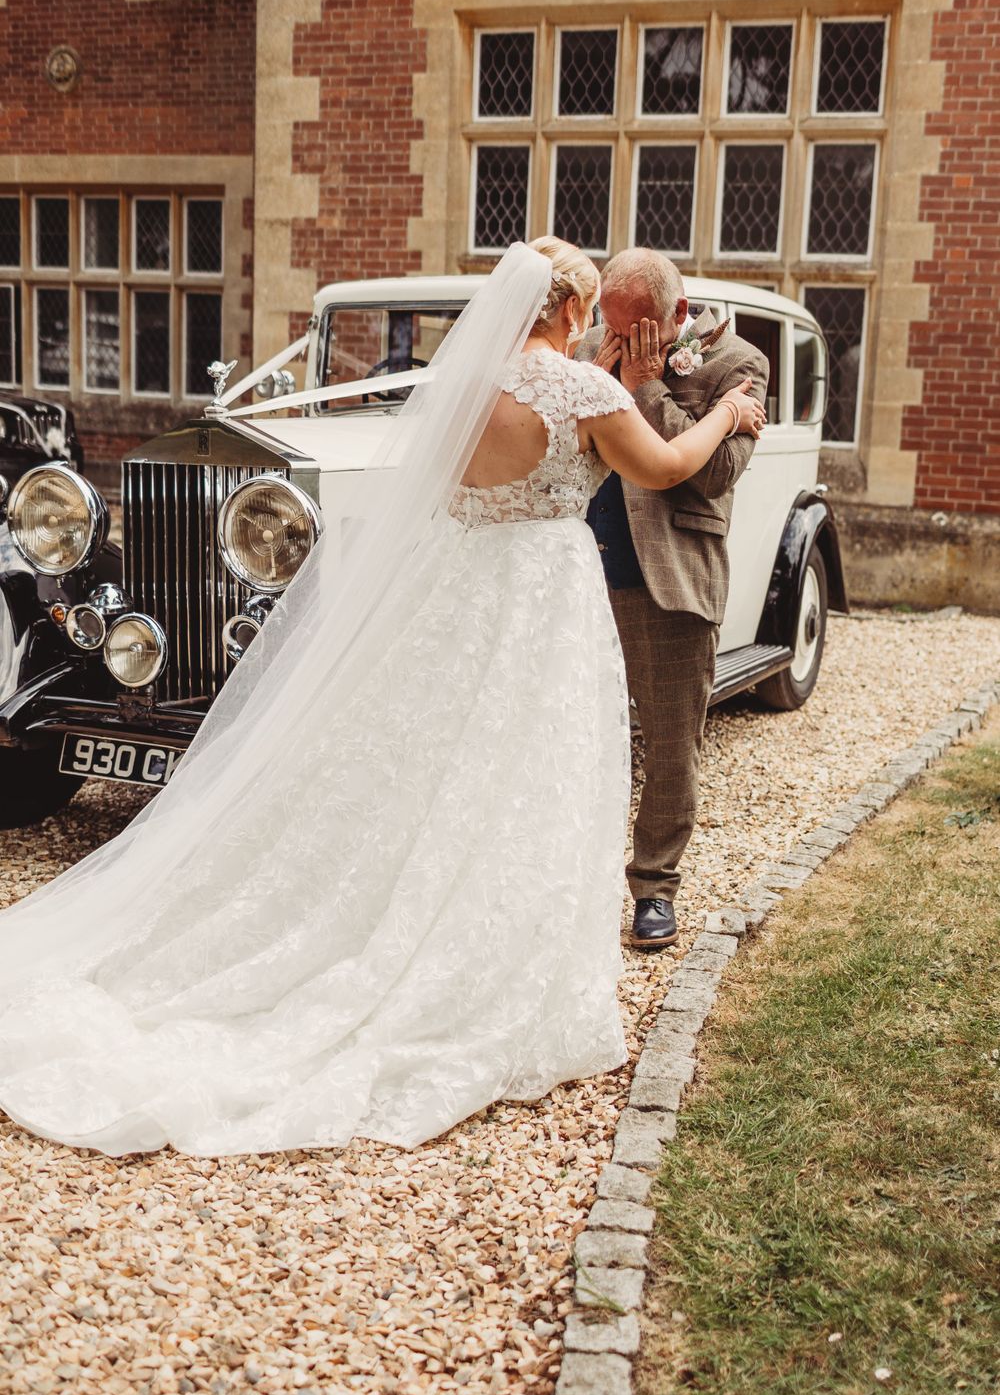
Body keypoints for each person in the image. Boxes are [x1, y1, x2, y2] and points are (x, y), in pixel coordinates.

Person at [0, 239, 763, 1158]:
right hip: (544, 599)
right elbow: (668, 466)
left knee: (436, 763)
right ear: (571, 311)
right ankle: (493, 956)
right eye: (589, 312)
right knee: (529, 771)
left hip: (463, 593)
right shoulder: (589, 393)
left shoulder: (459, 387)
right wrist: (724, 409)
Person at [578, 249, 769, 950]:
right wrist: (605, 369)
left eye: (635, 330)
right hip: (579, 570)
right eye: (609, 326)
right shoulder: (591, 345)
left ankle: (654, 889)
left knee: (669, 747)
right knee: (578, 733)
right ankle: (570, 877)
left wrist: (647, 385)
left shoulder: (739, 366)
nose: (617, 342)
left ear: (678, 315)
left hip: (670, 577)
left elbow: (713, 473)